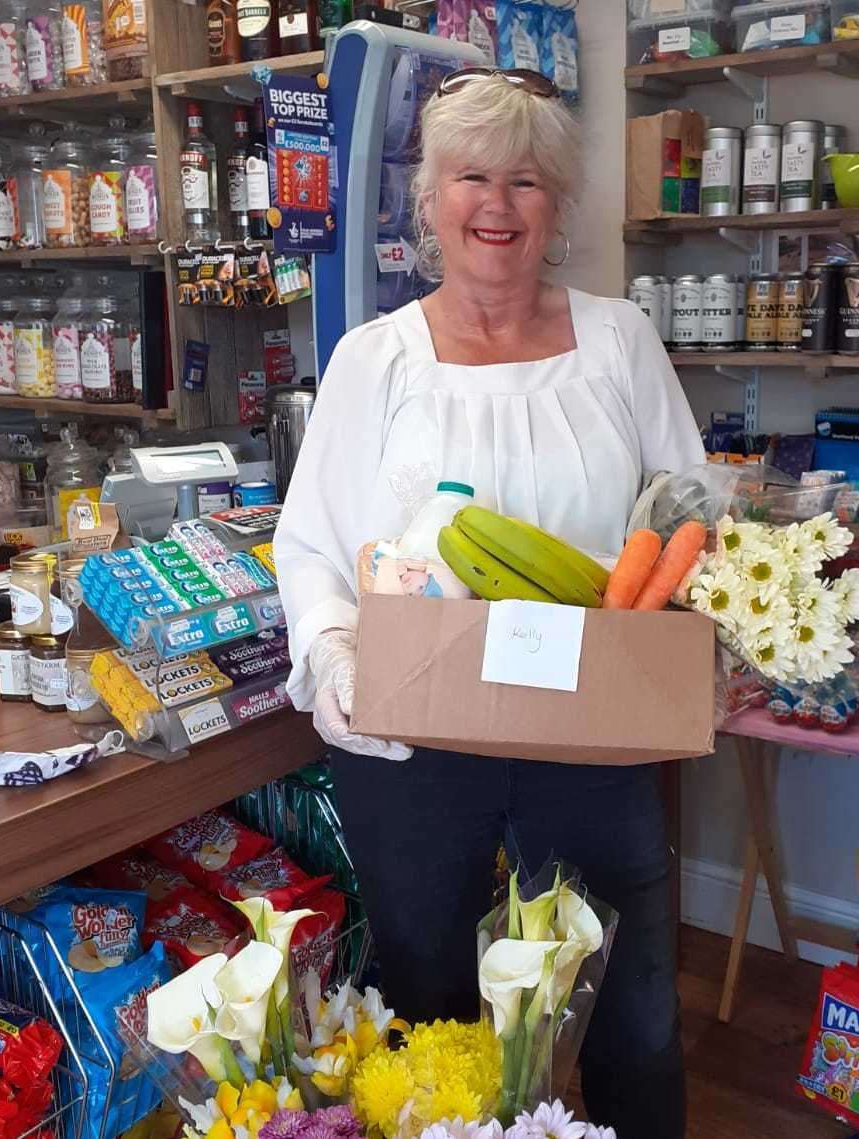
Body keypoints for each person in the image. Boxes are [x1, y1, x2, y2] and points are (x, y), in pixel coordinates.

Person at [273, 68, 704, 1138]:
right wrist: (333, 655)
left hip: (590, 726)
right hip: (414, 738)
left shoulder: (618, 342)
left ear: (556, 206)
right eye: (471, 177)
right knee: (431, 999)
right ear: (431, 199)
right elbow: (313, 539)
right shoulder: (374, 360)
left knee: (633, 1006)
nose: (497, 205)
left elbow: (691, 506)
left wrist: (711, 617)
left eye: (526, 181)